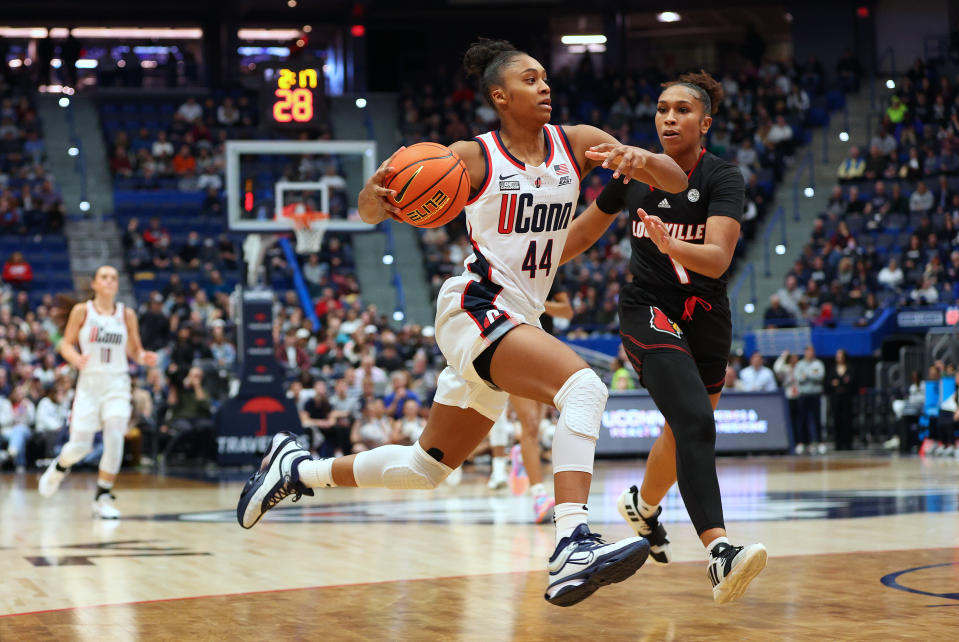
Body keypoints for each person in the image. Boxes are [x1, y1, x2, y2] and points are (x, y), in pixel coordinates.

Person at [236, 37, 689, 607]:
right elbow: (373, 210)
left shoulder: (580, 144)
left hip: (517, 315)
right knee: (584, 388)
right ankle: (572, 540)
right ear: (499, 95)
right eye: (530, 79)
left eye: (546, 77)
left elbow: (669, 183)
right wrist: (376, 195)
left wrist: (638, 163)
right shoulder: (470, 157)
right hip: (475, 306)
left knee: (425, 468)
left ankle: (299, 469)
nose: (545, 85)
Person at [576, 70, 767, 603]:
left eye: (682, 110)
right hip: (648, 309)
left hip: (706, 312)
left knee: (681, 426)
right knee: (694, 419)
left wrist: (671, 245)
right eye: (662, 109)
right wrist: (532, 269)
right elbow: (588, 229)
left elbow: (717, 257)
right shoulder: (635, 173)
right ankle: (719, 551)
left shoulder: (724, 178)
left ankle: (643, 507)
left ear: (704, 123)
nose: (669, 118)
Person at [38, 265, 158, 518]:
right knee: (79, 446)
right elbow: (65, 344)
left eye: (114, 277)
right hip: (89, 384)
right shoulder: (83, 311)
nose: (109, 281)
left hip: (117, 383)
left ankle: (102, 495)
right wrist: (75, 359)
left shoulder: (127, 315)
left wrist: (143, 356)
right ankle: (59, 467)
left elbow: (135, 350)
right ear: (94, 283)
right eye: (104, 277)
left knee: (115, 438)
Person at [795, 345, 825, 454]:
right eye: (808, 351)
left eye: (812, 351)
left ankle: (819, 442)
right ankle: (803, 443)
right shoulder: (800, 364)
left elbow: (820, 376)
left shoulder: (818, 363)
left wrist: (806, 374)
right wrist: (813, 374)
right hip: (803, 395)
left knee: (817, 419)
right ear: (805, 352)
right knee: (802, 419)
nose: (810, 353)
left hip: (815, 394)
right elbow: (799, 378)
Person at [826, 348, 856, 451]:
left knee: (847, 421)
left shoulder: (850, 368)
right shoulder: (833, 369)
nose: (839, 358)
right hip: (836, 399)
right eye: (837, 356)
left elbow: (851, 382)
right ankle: (838, 443)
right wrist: (840, 382)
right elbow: (829, 383)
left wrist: (839, 383)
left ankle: (848, 443)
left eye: (841, 356)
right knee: (837, 420)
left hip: (847, 398)